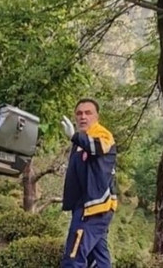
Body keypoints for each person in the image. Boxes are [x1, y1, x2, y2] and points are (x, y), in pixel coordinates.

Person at [60, 98, 117, 268]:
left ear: (97, 116)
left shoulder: (103, 135)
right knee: (98, 259)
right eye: (79, 113)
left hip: (95, 208)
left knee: (73, 257)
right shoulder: (80, 140)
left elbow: (96, 148)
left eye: (88, 113)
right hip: (83, 206)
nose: (83, 117)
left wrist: (74, 136)